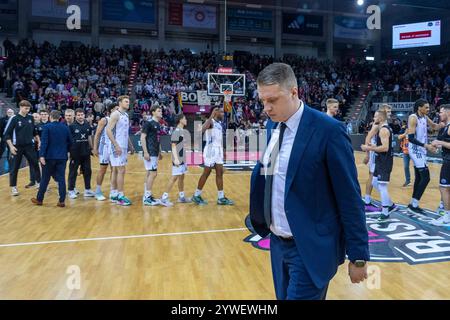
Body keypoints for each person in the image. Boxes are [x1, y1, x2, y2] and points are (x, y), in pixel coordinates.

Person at [249, 63, 369, 300]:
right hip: (278, 245)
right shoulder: (273, 124)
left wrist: (358, 255)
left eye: (272, 100)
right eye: (263, 101)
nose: (266, 108)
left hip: (310, 248)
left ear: (294, 92)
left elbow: (349, 197)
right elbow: (273, 177)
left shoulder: (329, 130)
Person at [407, 99, 443, 214]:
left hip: (421, 149)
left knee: (419, 177)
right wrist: (426, 146)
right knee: (426, 177)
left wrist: (443, 124)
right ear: (419, 107)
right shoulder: (413, 118)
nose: (428, 109)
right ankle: (415, 204)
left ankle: (412, 203)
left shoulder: (424, 117)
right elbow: (411, 138)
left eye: (428, 107)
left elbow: (434, 126)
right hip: (415, 149)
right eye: (426, 107)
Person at [192, 107, 234, 206]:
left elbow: (218, 139)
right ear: (216, 113)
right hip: (210, 150)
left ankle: (221, 197)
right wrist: (211, 116)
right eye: (222, 112)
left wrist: (222, 149)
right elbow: (201, 130)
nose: (223, 114)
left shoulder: (219, 124)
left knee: (220, 172)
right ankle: (196, 195)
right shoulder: (211, 122)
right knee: (207, 172)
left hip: (218, 149)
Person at [361, 110, 397, 221]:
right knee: (374, 182)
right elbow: (382, 145)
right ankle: (390, 204)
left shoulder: (384, 130)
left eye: (375, 117)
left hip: (384, 161)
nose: (374, 118)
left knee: (382, 186)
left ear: (381, 118)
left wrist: (369, 148)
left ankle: (385, 213)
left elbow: (385, 148)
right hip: (380, 159)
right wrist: (374, 145)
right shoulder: (383, 128)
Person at [31, 110, 72, 207]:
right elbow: (71, 142)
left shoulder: (46, 127)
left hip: (49, 157)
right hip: (62, 157)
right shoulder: (65, 127)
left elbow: (44, 142)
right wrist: (66, 151)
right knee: (61, 179)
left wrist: (41, 155)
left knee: (45, 178)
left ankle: (39, 199)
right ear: (60, 117)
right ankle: (62, 201)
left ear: (50, 117)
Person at [4, 100, 41, 196]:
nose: (28, 110)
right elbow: (6, 135)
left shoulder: (30, 118)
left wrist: (39, 141)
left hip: (29, 146)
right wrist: (11, 147)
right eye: (26, 108)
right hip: (17, 147)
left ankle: (39, 182)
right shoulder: (14, 118)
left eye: (28, 109)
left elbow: (34, 132)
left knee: (35, 164)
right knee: (14, 168)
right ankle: (13, 187)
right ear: (20, 107)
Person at [160, 113, 192, 206]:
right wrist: (176, 159)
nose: (186, 120)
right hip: (177, 158)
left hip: (183, 157)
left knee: (182, 177)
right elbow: (173, 146)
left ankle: (182, 197)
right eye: (185, 118)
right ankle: (164, 198)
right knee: (174, 177)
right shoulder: (176, 131)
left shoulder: (182, 131)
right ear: (180, 120)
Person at [106, 95, 132, 206]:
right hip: (117, 146)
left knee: (116, 170)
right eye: (126, 101)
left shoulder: (125, 114)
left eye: (128, 101)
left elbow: (125, 132)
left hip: (124, 146)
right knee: (121, 170)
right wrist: (116, 145)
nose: (128, 103)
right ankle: (120, 196)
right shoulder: (115, 114)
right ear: (120, 102)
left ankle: (113, 194)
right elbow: (108, 130)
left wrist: (130, 145)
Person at [92, 103, 118, 201]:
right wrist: (95, 148)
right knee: (103, 169)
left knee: (114, 169)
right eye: (116, 109)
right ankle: (98, 191)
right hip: (104, 148)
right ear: (111, 110)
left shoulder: (118, 120)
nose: (118, 111)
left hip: (114, 148)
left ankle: (113, 191)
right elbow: (97, 134)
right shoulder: (104, 120)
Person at [68, 108, 94, 199]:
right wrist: (68, 152)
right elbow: (68, 140)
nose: (80, 116)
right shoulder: (71, 126)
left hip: (86, 152)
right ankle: (71, 190)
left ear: (84, 115)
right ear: (75, 116)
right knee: (73, 172)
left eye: (82, 115)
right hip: (75, 153)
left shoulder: (88, 126)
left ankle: (87, 190)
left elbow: (89, 137)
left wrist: (92, 148)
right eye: (78, 115)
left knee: (87, 171)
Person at [141, 105, 164, 206]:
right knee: (153, 174)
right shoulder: (148, 123)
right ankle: (147, 197)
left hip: (155, 151)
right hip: (150, 152)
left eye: (161, 111)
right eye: (159, 111)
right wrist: (145, 152)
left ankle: (147, 195)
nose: (161, 112)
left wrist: (159, 151)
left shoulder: (158, 124)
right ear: (153, 112)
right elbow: (142, 138)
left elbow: (157, 139)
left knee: (149, 173)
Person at [431, 105, 450, 225]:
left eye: (441, 112)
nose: (439, 114)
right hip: (447, 160)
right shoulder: (445, 127)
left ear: (448, 113)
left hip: (449, 162)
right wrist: (436, 146)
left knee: (444, 188)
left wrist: (439, 142)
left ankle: (447, 216)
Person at [398, 122, 411, 187]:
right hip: (405, 152)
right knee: (406, 166)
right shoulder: (404, 130)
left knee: (417, 167)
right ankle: (408, 180)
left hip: (413, 152)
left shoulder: (414, 131)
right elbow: (399, 137)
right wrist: (405, 133)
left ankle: (418, 180)